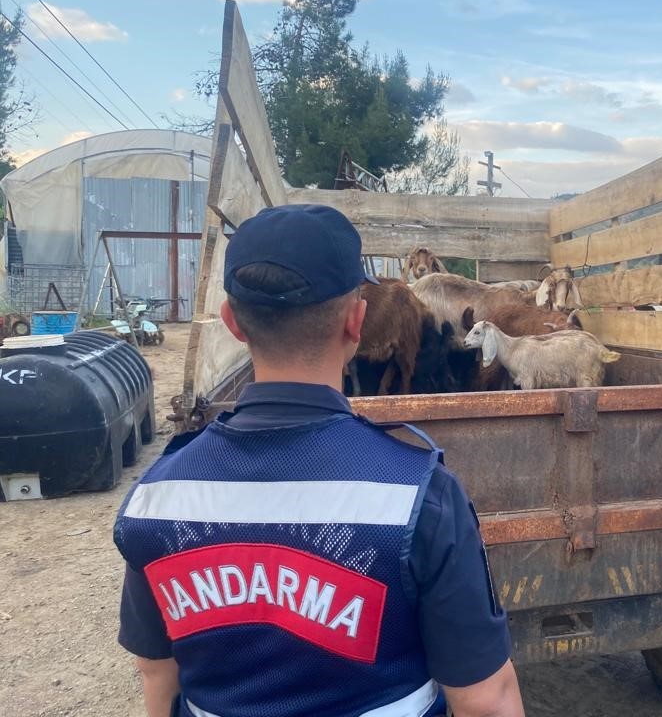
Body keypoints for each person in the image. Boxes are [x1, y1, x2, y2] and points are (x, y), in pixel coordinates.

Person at [113, 204, 525, 717]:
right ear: (357, 321)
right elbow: (486, 701)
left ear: (232, 323)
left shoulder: (156, 498)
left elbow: (158, 678)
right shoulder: (421, 498)